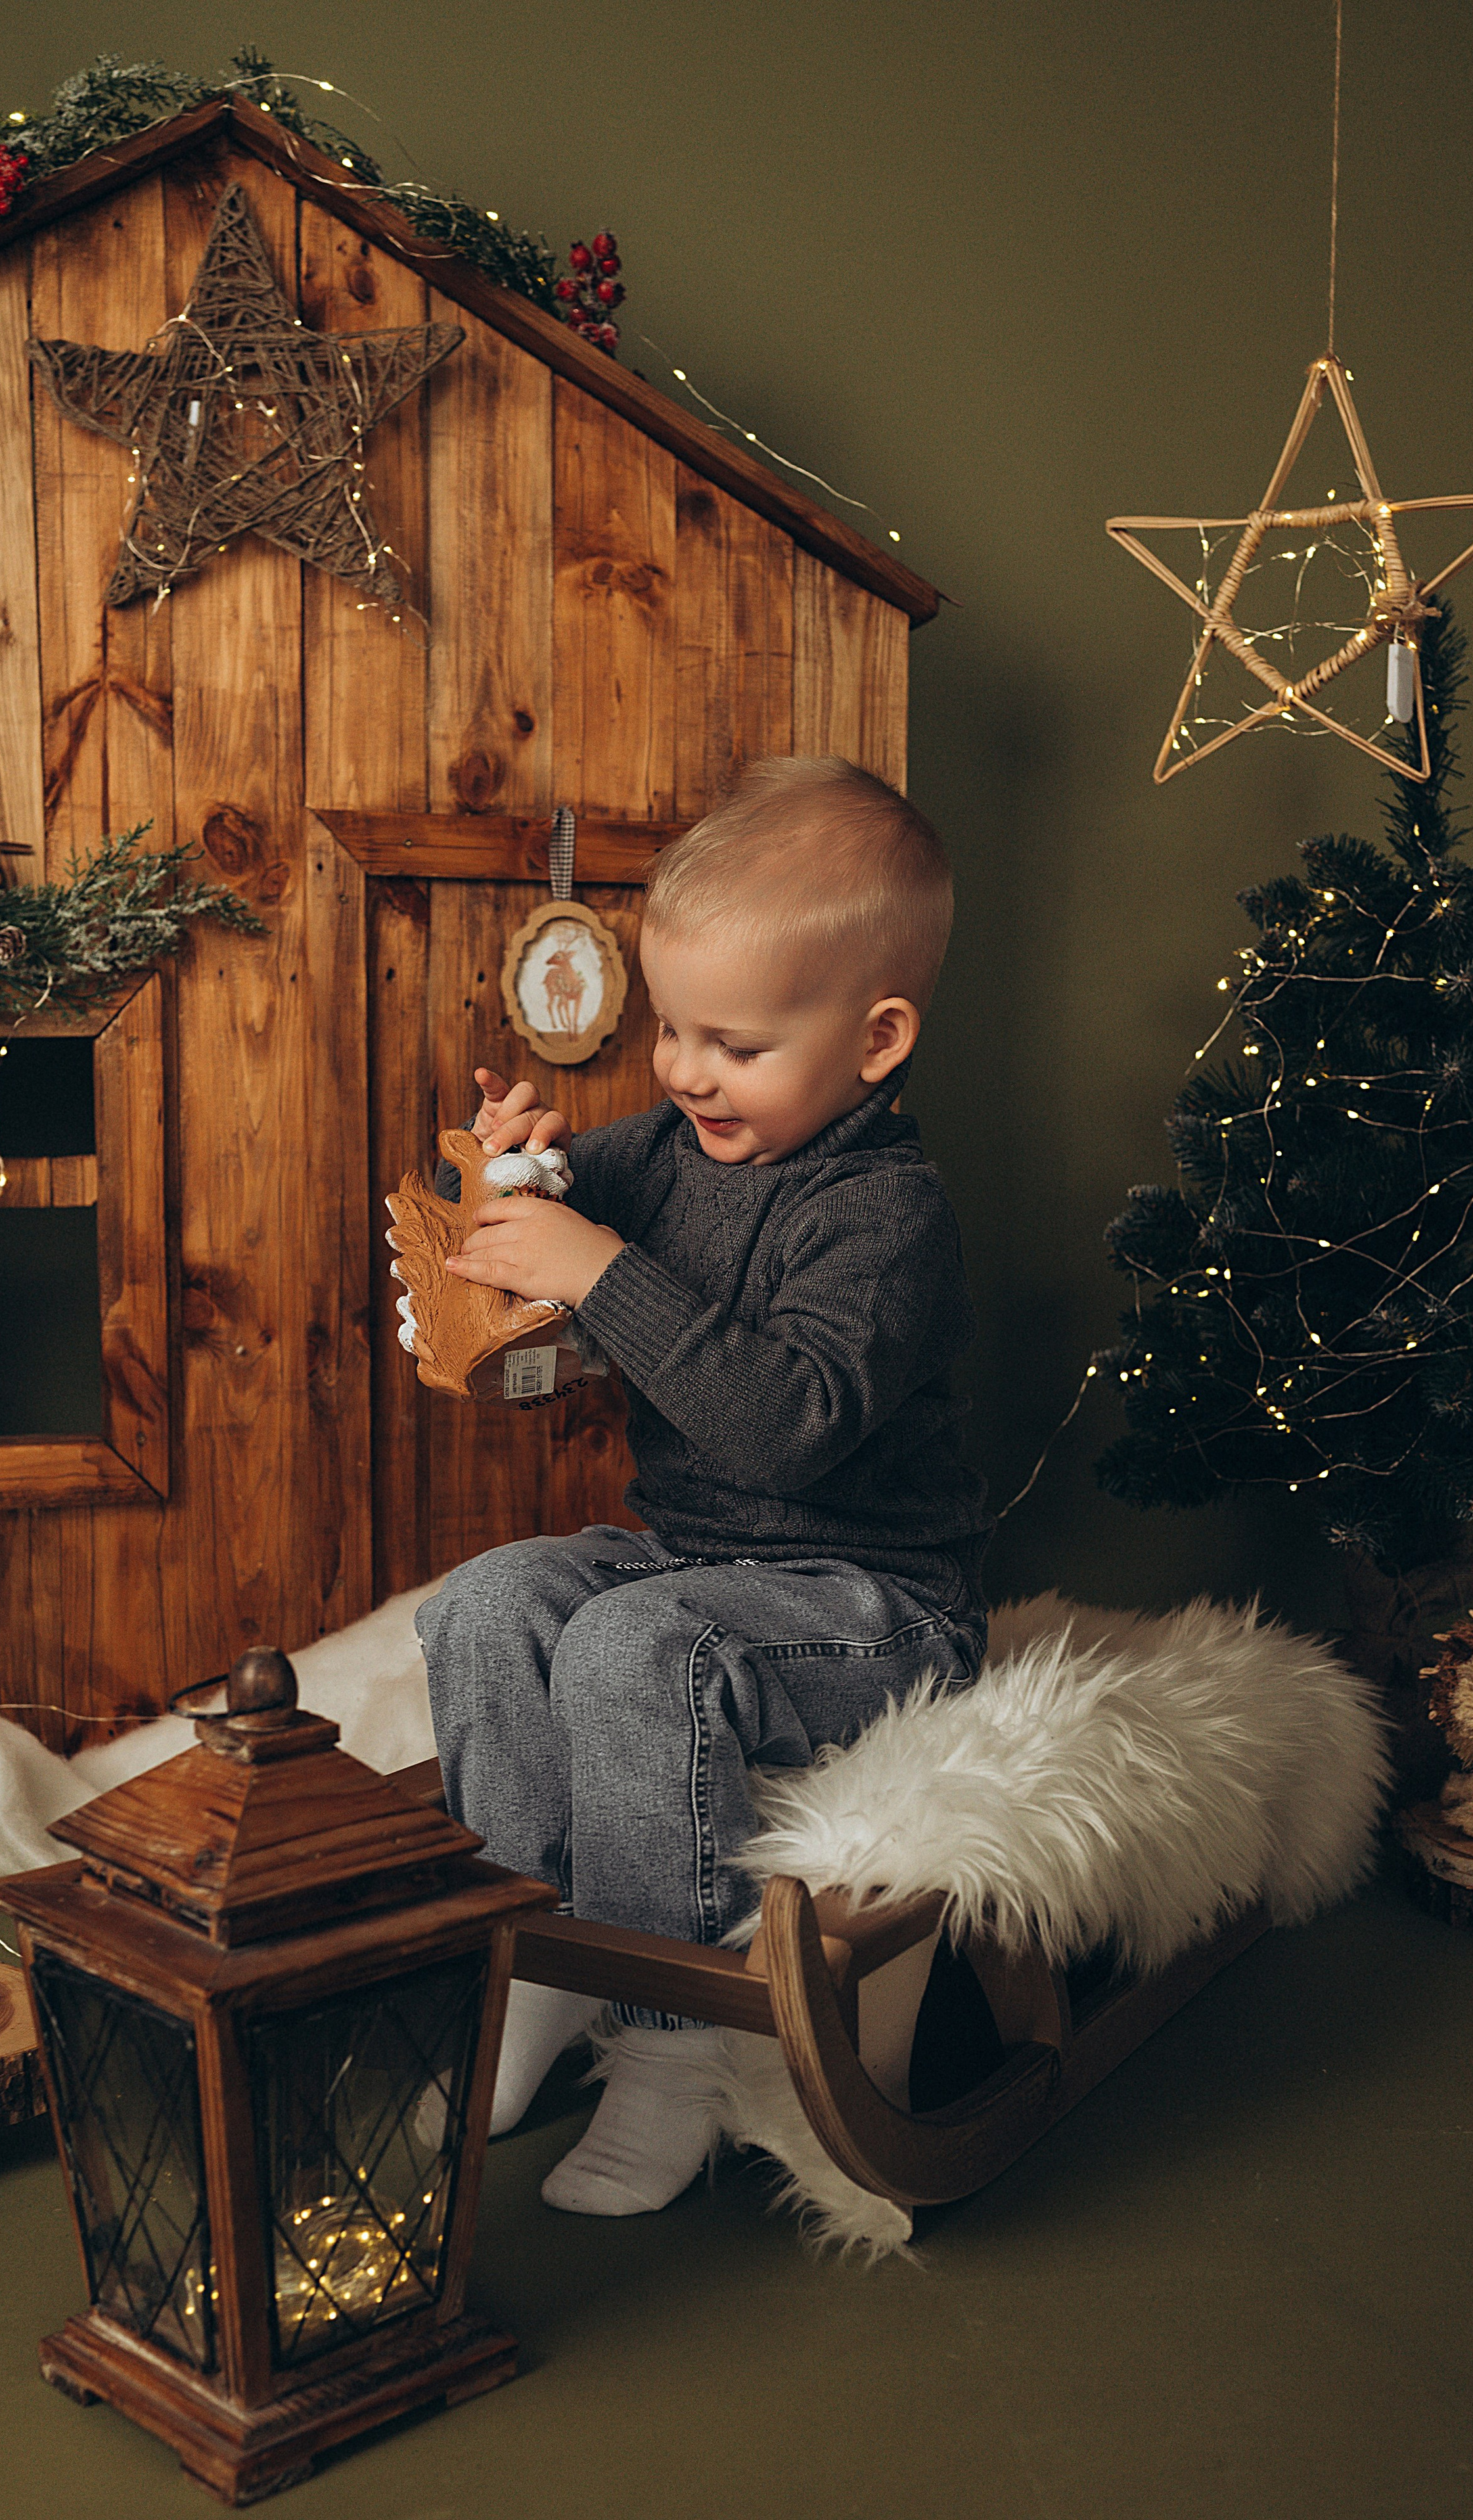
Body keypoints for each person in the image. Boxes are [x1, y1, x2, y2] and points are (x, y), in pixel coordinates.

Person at [415, 755, 991, 2214]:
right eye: (670, 1028)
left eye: (730, 1043)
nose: (680, 1070)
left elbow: (784, 1429)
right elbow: (540, 1217)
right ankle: (530, 1954)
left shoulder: (886, 1214)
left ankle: (668, 2040)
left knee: (632, 1648)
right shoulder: (671, 1148)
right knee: (487, 1603)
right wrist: (518, 1169)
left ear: (874, 1040)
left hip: (872, 1596)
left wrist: (599, 1270)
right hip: (691, 1554)